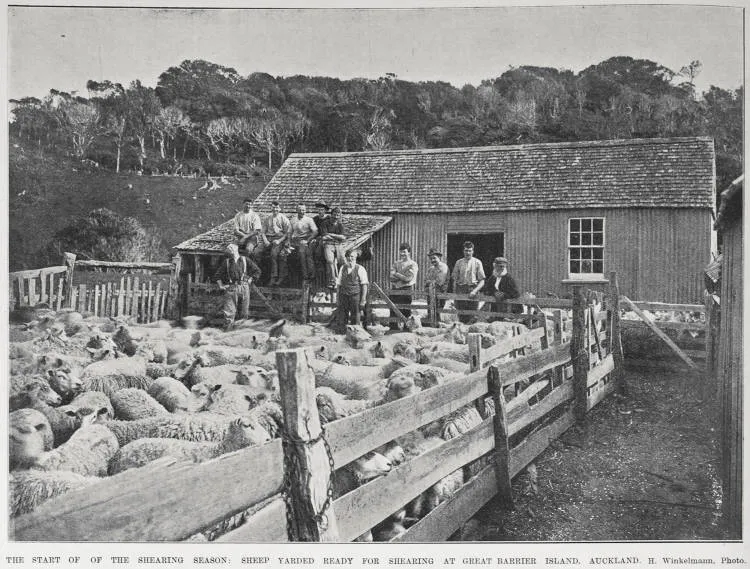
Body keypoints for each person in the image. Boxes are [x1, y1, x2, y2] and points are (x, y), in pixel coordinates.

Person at [214, 243, 261, 330]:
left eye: (231, 247)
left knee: (244, 313)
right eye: (228, 248)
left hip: (244, 287)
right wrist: (221, 285)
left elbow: (257, 271)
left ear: (236, 249)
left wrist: (251, 279)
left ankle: (240, 335)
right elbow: (217, 275)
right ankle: (227, 334)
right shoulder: (227, 262)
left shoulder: (245, 260)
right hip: (231, 288)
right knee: (228, 314)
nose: (230, 249)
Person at [254, 201, 291, 286]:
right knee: (256, 252)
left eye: (277, 207)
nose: (275, 209)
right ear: (271, 208)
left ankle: (273, 277)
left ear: (280, 208)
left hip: (278, 239)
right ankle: (257, 274)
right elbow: (262, 232)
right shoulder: (268, 219)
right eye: (273, 207)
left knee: (273, 254)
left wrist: (279, 241)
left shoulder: (284, 219)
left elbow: (287, 233)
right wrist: (266, 240)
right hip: (268, 238)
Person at [451, 241, 486, 324]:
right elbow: (454, 278)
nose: (468, 253)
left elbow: (482, 281)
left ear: (473, 251)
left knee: (472, 315)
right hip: (461, 289)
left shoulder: (477, 262)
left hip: (472, 289)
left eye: (470, 250)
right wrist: (455, 294)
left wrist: (474, 291)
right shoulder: (458, 262)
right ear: (463, 251)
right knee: (461, 315)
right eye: (466, 250)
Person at [335, 249, 369, 332]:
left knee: (355, 317)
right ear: (346, 258)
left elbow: (364, 285)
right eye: (348, 257)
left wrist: (363, 300)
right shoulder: (343, 268)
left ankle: (355, 335)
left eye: (352, 256)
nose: (350, 258)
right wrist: (337, 297)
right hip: (343, 296)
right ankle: (342, 334)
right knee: (342, 317)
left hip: (355, 296)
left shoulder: (360, 269)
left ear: (356, 257)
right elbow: (339, 284)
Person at [388, 242, 418, 330]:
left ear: (409, 252)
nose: (402, 254)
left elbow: (408, 279)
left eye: (404, 252)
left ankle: (406, 329)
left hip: (406, 290)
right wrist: (402, 275)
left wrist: (396, 274)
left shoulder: (413, 264)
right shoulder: (396, 263)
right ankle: (393, 329)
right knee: (393, 309)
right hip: (395, 289)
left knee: (406, 310)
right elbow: (391, 277)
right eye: (401, 251)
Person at [287, 204, 318, 284]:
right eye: (300, 210)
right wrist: (288, 241)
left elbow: (315, 232)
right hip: (295, 241)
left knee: (302, 253)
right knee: (283, 254)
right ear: (297, 210)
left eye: (303, 210)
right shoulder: (293, 220)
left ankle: (306, 276)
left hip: (305, 240)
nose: (302, 212)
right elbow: (289, 232)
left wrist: (307, 240)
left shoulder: (309, 220)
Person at [320, 206, 347, 289]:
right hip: (328, 244)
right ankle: (332, 281)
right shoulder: (325, 223)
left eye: (338, 215)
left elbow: (343, 237)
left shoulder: (340, 225)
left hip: (338, 245)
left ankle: (345, 280)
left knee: (343, 262)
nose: (336, 217)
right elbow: (324, 236)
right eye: (334, 215)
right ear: (331, 214)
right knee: (330, 261)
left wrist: (331, 234)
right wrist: (337, 237)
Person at [424, 247, 449, 324]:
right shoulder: (431, 269)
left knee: (437, 312)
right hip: (430, 294)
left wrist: (430, 282)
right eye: (431, 258)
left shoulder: (444, 267)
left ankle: (438, 327)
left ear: (439, 257)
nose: (432, 260)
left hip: (440, 294)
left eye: (434, 258)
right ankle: (430, 326)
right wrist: (431, 282)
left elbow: (440, 282)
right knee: (430, 311)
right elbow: (425, 281)